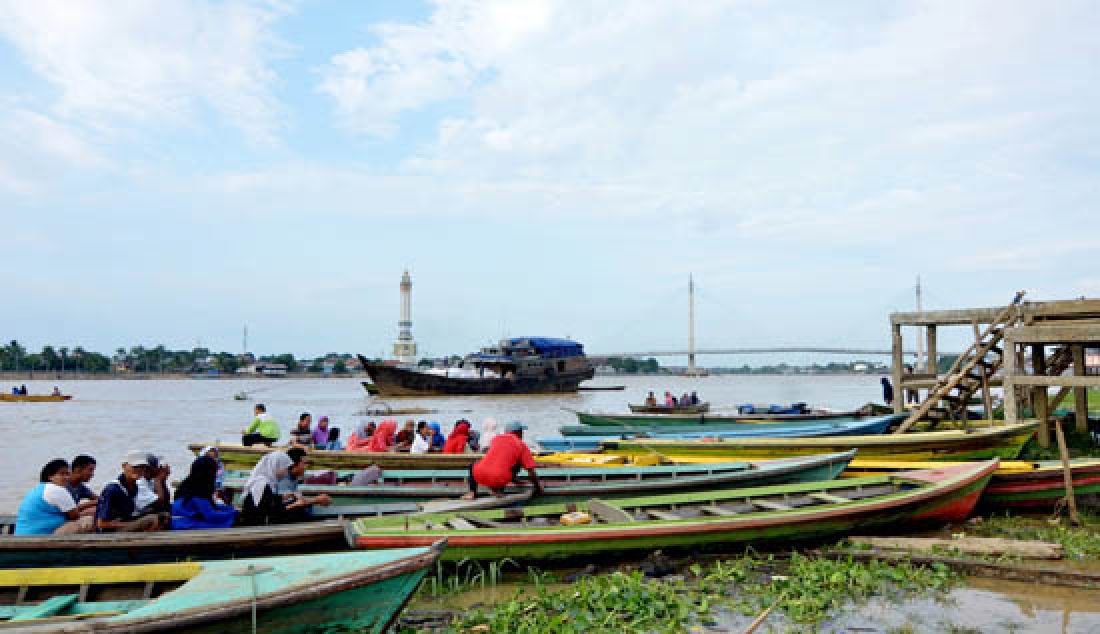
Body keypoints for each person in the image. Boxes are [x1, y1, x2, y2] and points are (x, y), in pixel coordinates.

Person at [240, 449, 331, 525]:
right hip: (259, 522)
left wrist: (287, 496)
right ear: (275, 466)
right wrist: (296, 504)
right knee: (298, 510)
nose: (286, 472)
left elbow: (270, 500)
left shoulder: (267, 482)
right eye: (285, 468)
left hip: (264, 517)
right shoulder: (262, 484)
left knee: (299, 508)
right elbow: (270, 511)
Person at [461, 422, 542, 500]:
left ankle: (472, 492)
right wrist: (538, 488)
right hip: (499, 478)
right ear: (519, 432)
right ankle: (497, 490)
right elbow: (531, 471)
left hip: (479, 475)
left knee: (475, 465)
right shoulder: (521, 444)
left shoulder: (496, 439)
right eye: (522, 432)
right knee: (516, 463)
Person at [15, 459, 97, 535]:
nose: (66, 478)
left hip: (24, 534)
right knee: (90, 520)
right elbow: (75, 516)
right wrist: (91, 512)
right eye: (62, 474)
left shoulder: (40, 487)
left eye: (68, 474)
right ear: (50, 476)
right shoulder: (58, 490)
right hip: (43, 536)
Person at [96, 452, 165, 532]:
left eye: (142, 467)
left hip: (125, 522)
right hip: (111, 531)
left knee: (163, 516)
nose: (139, 470)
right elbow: (101, 524)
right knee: (151, 519)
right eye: (135, 467)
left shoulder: (134, 486)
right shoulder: (112, 489)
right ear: (124, 466)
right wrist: (132, 524)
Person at [171, 456, 238, 530]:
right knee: (234, 523)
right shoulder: (198, 492)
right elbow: (210, 515)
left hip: (181, 523)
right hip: (186, 526)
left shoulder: (187, 486)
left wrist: (230, 509)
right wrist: (233, 513)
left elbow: (211, 508)